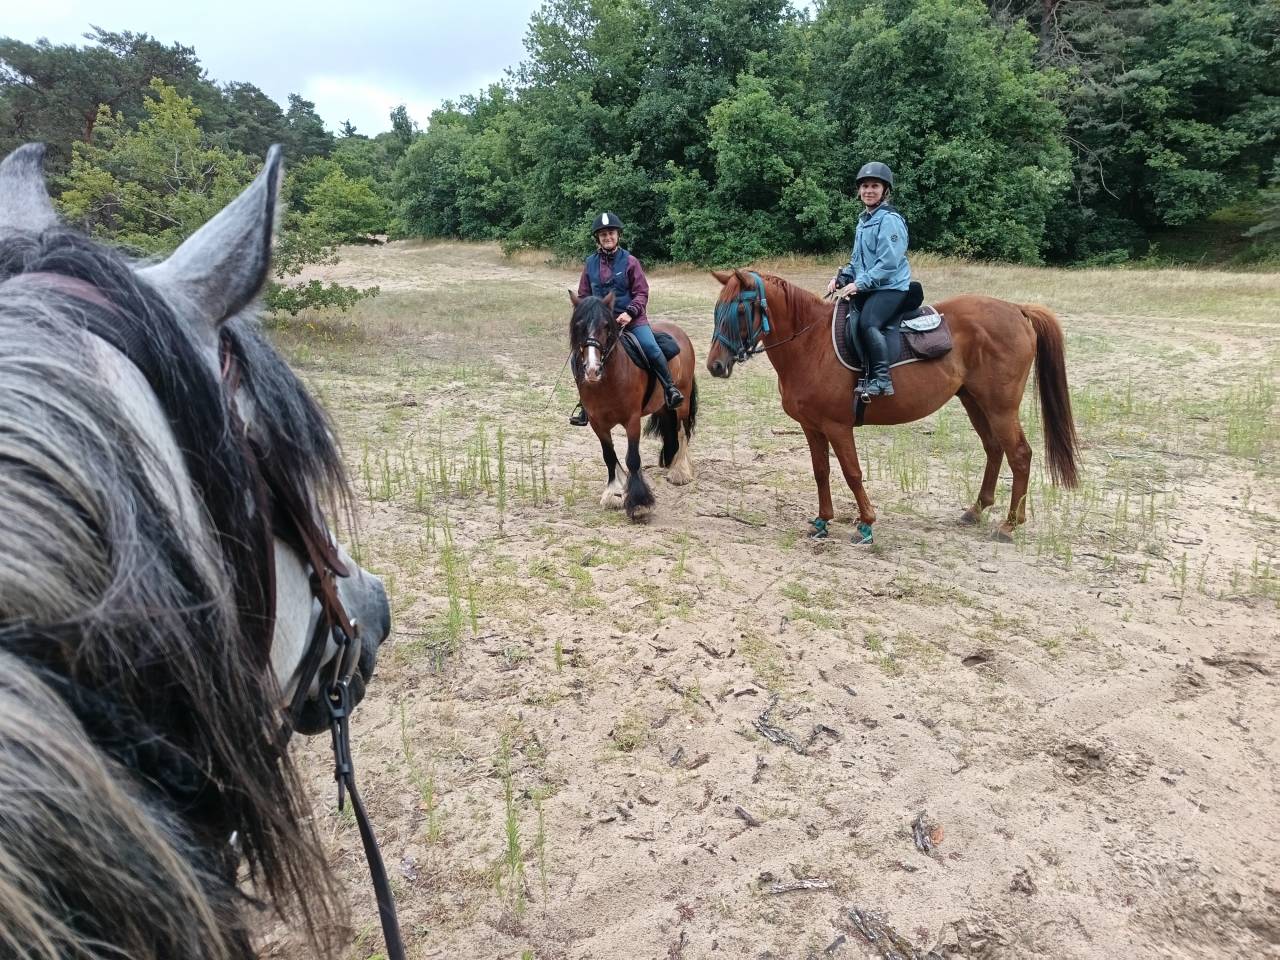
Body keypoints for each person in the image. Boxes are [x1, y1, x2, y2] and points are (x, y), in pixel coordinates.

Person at [569, 212, 684, 425]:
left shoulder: (631, 262)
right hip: (601, 325)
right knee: (577, 357)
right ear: (598, 238)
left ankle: (670, 389)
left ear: (618, 235)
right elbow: (584, 295)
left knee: (651, 348)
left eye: (611, 233)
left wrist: (630, 312)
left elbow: (642, 292)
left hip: (631, 321)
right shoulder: (590, 264)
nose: (607, 237)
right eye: (603, 235)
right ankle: (585, 404)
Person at [826, 162, 911, 397]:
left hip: (891, 287)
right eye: (864, 186)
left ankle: (882, 379)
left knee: (868, 323)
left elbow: (889, 263)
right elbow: (857, 262)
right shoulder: (863, 220)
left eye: (875, 186)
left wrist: (860, 283)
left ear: (885, 190)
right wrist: (842, 277)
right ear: (858, 190)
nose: (869, 190)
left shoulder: (889, 219)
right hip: (870, 286)